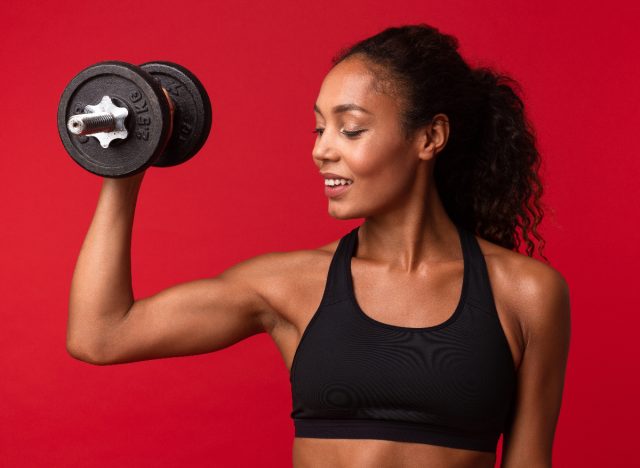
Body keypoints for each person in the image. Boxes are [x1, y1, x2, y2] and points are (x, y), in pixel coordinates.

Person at [66, 23, 571, 468]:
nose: (321, 150)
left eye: (350, 130)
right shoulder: (290, 285)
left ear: (430, 137)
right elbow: (101, 335)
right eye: (319, 127)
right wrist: (127, 162)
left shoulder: (525, 293)